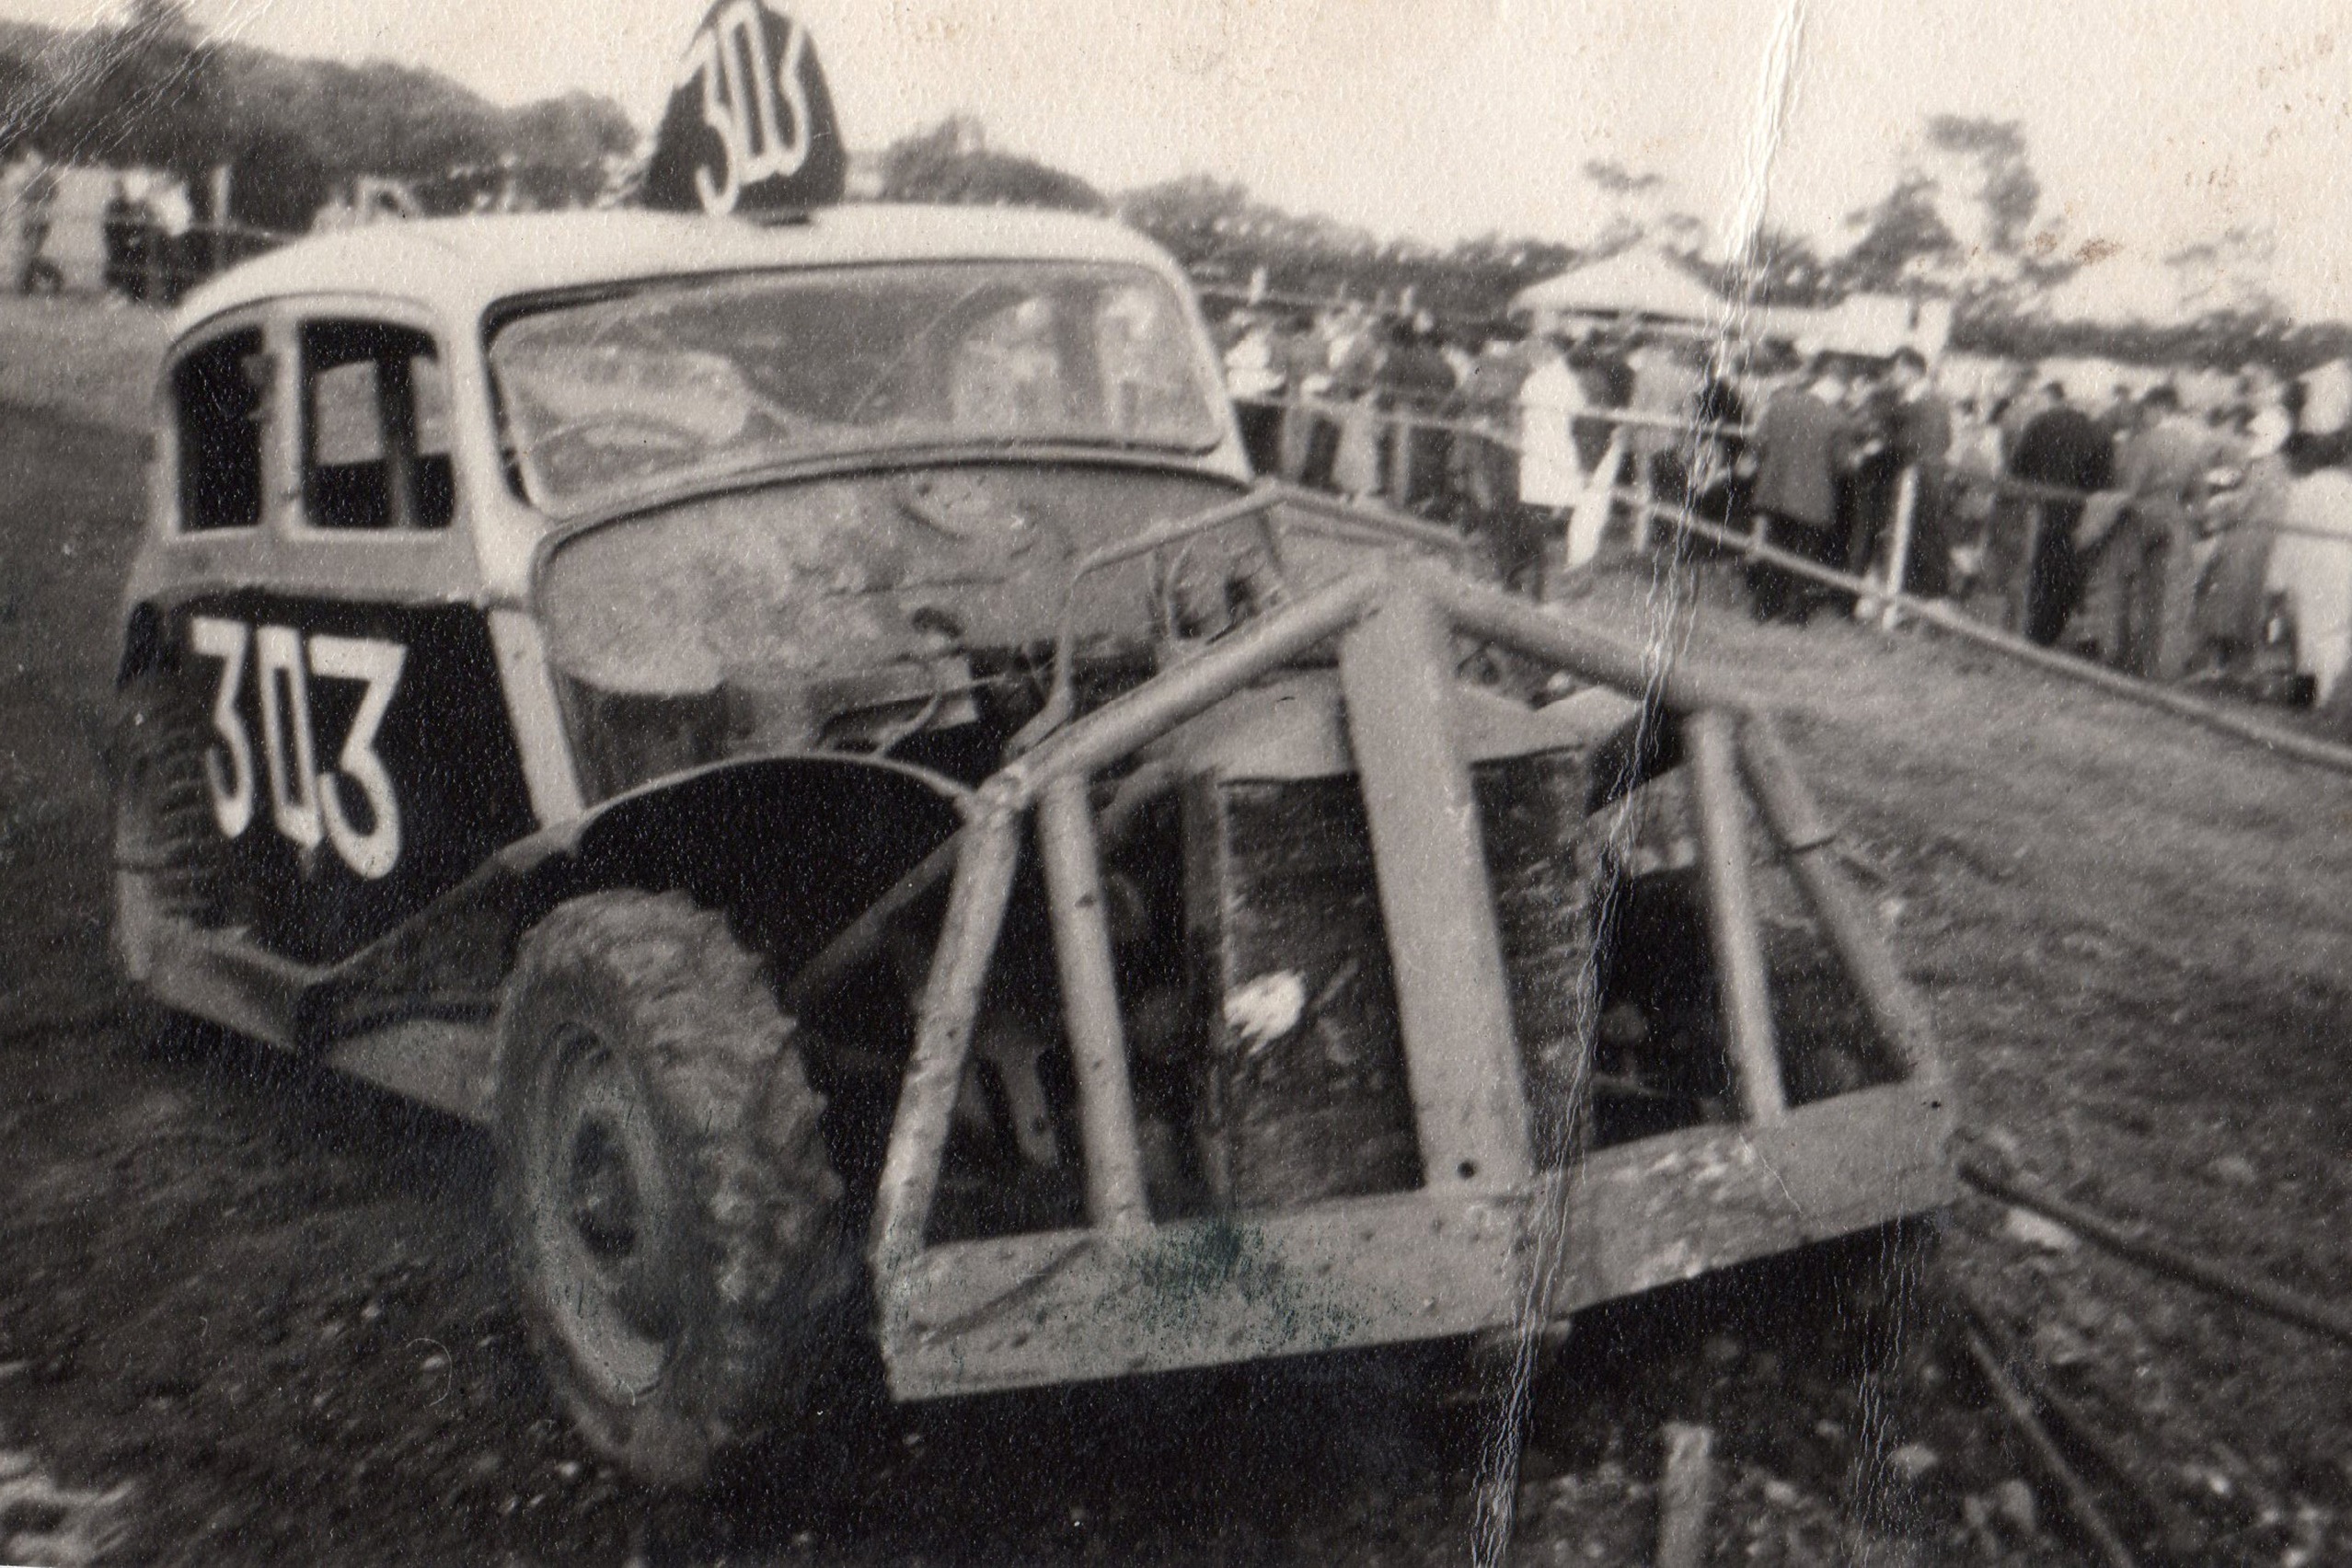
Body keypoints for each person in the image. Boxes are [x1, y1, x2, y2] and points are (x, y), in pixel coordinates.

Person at [1743, 356, 1854, 623]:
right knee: (1803, 558)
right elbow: (1842, 467)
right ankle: (1794, 613)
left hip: (1775, 491)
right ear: (1839, 389)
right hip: (1812, 500)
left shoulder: (1779, 404)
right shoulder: (1838, 420)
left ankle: (1764, 608)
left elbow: (1757, 444)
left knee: (1775, 549)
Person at [2008, 382, 2116, 645]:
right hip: (2073, 516)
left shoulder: (2039, 423)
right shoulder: (2099, 433)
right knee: (2061, 576)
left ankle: (2019, 629)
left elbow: (2017, 466)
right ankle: (2044, 635)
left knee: (2029, 569)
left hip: (2035, 508)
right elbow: (2103, 485)